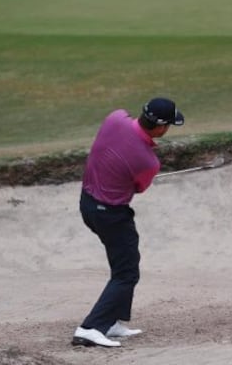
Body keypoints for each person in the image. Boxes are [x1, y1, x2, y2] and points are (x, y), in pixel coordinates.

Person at [71, 98, 185, 348]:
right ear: (161, 128)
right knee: (127, 272)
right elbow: (139, 187)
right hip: (111, 215)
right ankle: (90, 328)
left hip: (87, 204)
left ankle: (111, 322)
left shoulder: (115, 117)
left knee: (122, 264)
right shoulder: (148, 162)